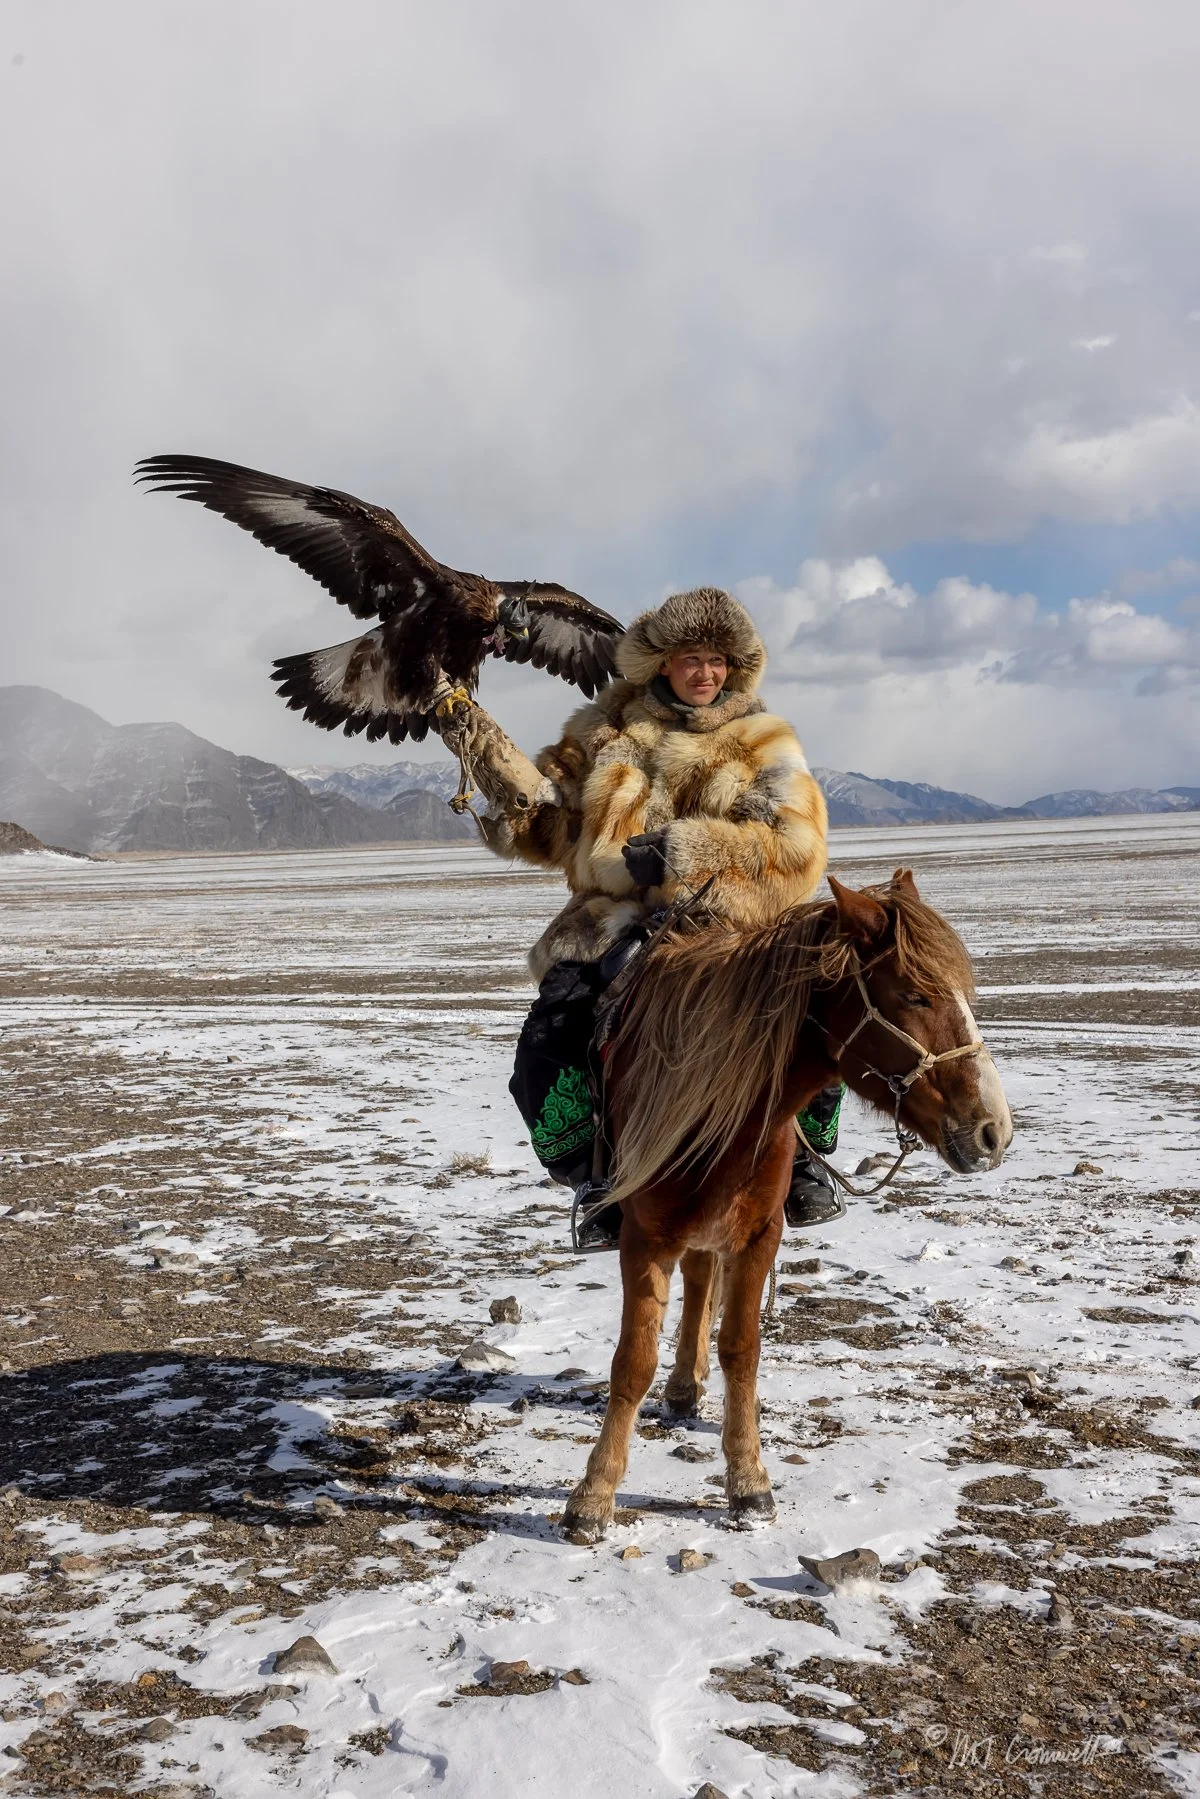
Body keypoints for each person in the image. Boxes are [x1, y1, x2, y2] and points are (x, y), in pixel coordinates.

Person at [478, 586, 845, 1248]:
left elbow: (796, 848)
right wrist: (507, 797)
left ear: (733, 666)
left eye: (716, 660)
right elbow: (555, 828)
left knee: (817, 1008)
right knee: (549, 1036)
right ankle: (598, 1180)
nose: (704, 673)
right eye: (689, 658)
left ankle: (808, 1168)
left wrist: (683, 854)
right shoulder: (605, 730)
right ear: (662, 662)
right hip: (616, 920)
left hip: (728, 920)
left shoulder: (764, 739)